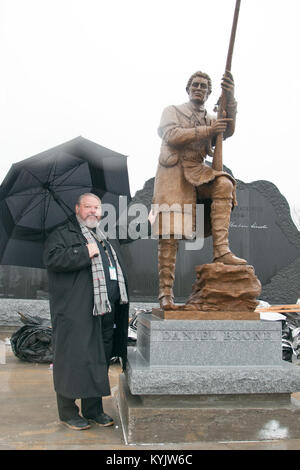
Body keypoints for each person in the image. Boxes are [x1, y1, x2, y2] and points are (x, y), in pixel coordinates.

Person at [152, 70, 246, 310]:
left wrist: (230, 98)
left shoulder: (211, 118)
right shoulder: (172, 110)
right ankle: (165, 294)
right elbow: (171, 134)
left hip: (197, 168)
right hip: (173, 172)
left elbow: (228, 130)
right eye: (195, 84)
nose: (199, 88)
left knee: (224, 183)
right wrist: (208, 131)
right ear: (188, 88)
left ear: (209, 92)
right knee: (169, 234)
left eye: (204, 86)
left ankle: (222, 251)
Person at [43, 193, 129, 430]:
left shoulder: (102, 236)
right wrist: (83, 252)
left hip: (103, 311)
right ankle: (68, 412)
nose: (93, 211)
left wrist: (150, 222)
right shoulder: (62, 233)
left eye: (96, 207)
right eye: (88, 207)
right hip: (75, 311)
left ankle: (93, 410)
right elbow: (51, 259)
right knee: (72, 360)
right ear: (77, 208)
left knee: (97, 360)